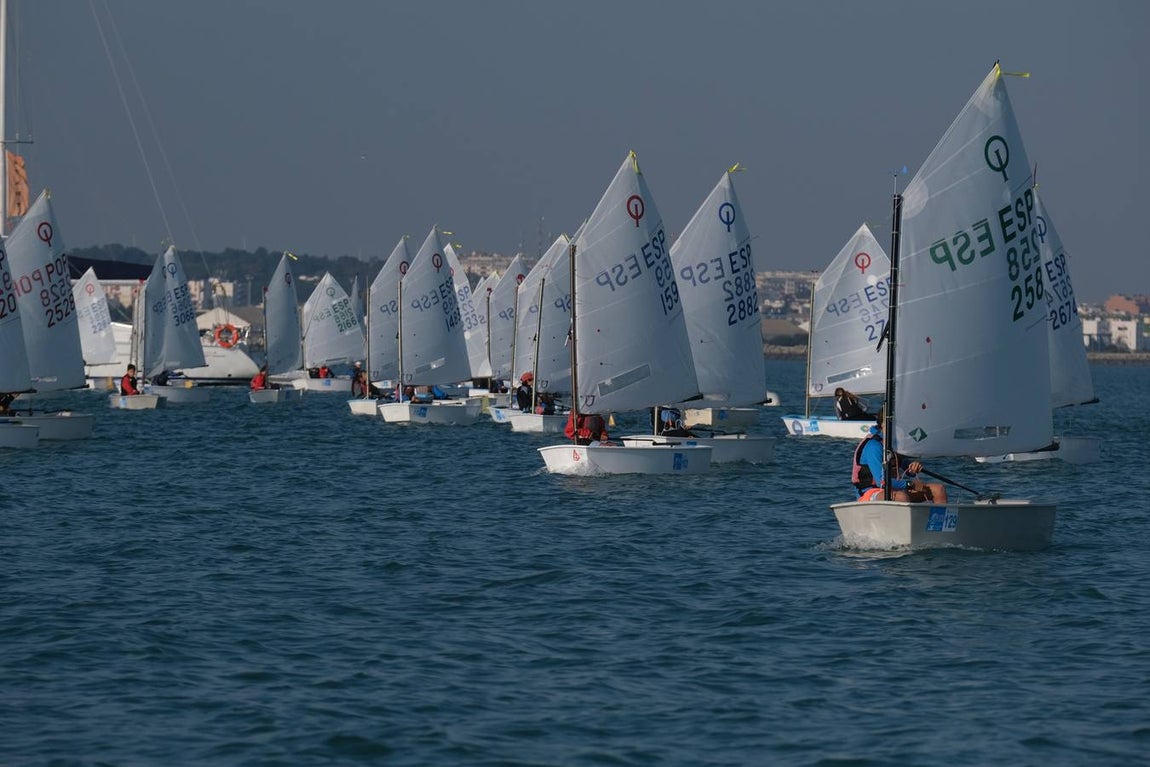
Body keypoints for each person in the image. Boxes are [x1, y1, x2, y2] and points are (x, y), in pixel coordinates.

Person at [852, 408, 948, 503]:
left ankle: (937, 518)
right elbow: (882, 482)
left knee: (938, 490)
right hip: (869, 493)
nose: (897, 429)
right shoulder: (874, 446)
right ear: (883, 424)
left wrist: (914, 467)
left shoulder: (894, 444)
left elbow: (907, 468)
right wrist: (911, 484)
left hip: (893, 490)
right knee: (901, 497)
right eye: (893, 425)